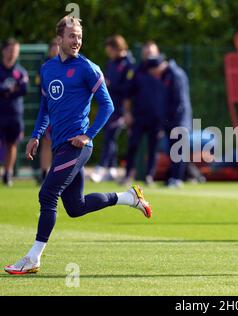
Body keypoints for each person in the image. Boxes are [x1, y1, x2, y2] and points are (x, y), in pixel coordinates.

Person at [4, 16, 152, 275]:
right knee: (76, 207)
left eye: (80, 37)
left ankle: (33, 258)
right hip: (61, 145)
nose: (77, 41)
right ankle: (129, 197)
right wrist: (36, 135)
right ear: (59, 39)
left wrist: (89, 135)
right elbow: (45, 107)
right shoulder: (48, 69)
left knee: (47, 194)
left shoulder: (88, 68)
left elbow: (108, 106)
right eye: (72, 36)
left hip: (78, 146)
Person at [145, 43, 193, 188]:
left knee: (179, 150)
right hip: (170, 120)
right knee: (172, 150)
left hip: (179, 120)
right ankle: (173, 177)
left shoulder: (175, 75)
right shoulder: (165, 75)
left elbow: (180, 101)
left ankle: (177, 179)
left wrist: (172, 121)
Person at [120, 41, 165, 186]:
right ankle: (128, 175)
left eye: (151, 52)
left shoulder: (164, 72)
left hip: (157, 118)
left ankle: (149, 177)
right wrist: (127, 113)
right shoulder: (136, 71)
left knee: (153, 149)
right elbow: (127, 94)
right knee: (133, 145)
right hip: (138, 116)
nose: (149, 55)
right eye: (146, 53)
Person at [90, 35, 134, 183]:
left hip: (121, 108)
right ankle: (112, 169)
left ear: (117, 48)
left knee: (110, 136)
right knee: (111, 137)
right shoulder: (111, 63)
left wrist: (111, 85)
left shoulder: (129, 64)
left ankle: (101, 168)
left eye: (110, 50)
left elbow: (128, 88)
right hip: (110, 107)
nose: (109, 54)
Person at [0, 38, 28, 187]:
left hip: (14, 114)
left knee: (12, 144)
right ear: (4, 51)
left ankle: (7, 173)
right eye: (10, 50)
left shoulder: (20, 72)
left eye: (15, 51)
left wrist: (6, 91)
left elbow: (23, 89)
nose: (12, 54)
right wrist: (9, 90)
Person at [36, 38, 60, 184]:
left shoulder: (70, 65)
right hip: (49, 111)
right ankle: (44, 173)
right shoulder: (45, 67)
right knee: (46, 142)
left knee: (61, 142)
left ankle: (57, 174)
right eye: (54, 47)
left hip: (62, 112)